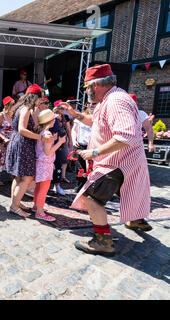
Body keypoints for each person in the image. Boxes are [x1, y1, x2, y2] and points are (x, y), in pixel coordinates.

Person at [62, 64, 152, 256]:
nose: (86, 92)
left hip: (118, 162)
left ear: (95, 85)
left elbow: (125, 136)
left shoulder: (115, 101)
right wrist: (75, 114)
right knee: (129, 192)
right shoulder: (111, 98)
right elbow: (96, 122)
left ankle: (103, 241)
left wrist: (95, 152)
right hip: (121, 160)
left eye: (86, 87)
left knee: (91, 198)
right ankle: (135, 219)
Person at [5, 84, 52, 217]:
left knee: (18, 177)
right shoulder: (25, 109)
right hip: (23, 145)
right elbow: (22, 129)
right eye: (39, 98)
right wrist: (40, 137)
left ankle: (15, 203)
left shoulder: (21, 108)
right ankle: (14, 206)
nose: (40, 101)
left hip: (18, 143)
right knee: (26, 177)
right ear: (34, 97)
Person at [33, 109, 67, 221]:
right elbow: (48, 152)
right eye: (53, 119)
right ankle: (40, 212)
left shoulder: (42, 131)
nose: (55, 121)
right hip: (45, 163)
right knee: (44, 188)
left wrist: (55, 139)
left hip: (40, 162)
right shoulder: (48, 133)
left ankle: (36, 207)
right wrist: (60, 142)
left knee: (38, 187)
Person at [49, 100, 72, 195]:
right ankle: (46, 185)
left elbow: (68, 129)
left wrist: (70, 140)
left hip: (61, 142)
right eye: (62, 108)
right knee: (49, 164)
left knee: (59, 162)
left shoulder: (64, 117)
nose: (64, 110)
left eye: (64, 108)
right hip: (51, 142)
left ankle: (57, 185)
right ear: (56, 108)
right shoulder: (50, 116)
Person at [71, 103, 94, 192]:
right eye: (90, 104)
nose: (91, 106)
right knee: (80, 167)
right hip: (80, 145)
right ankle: (80, 186)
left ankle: (91, 188)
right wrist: (73, 140)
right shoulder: (81, 116)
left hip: (92, 147)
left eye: (94, 104)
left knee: (92, 168)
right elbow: (74, 130)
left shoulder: (98, 117)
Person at [0, 96, 16, 185]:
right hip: (1, 140)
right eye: (13, 104)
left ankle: (11, 177)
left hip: (11, 140)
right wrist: (3, 138)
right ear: (8, 105)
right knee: (0, 157)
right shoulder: (1, 115)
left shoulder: (13, 115)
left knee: (11, 158)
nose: (15, 106)